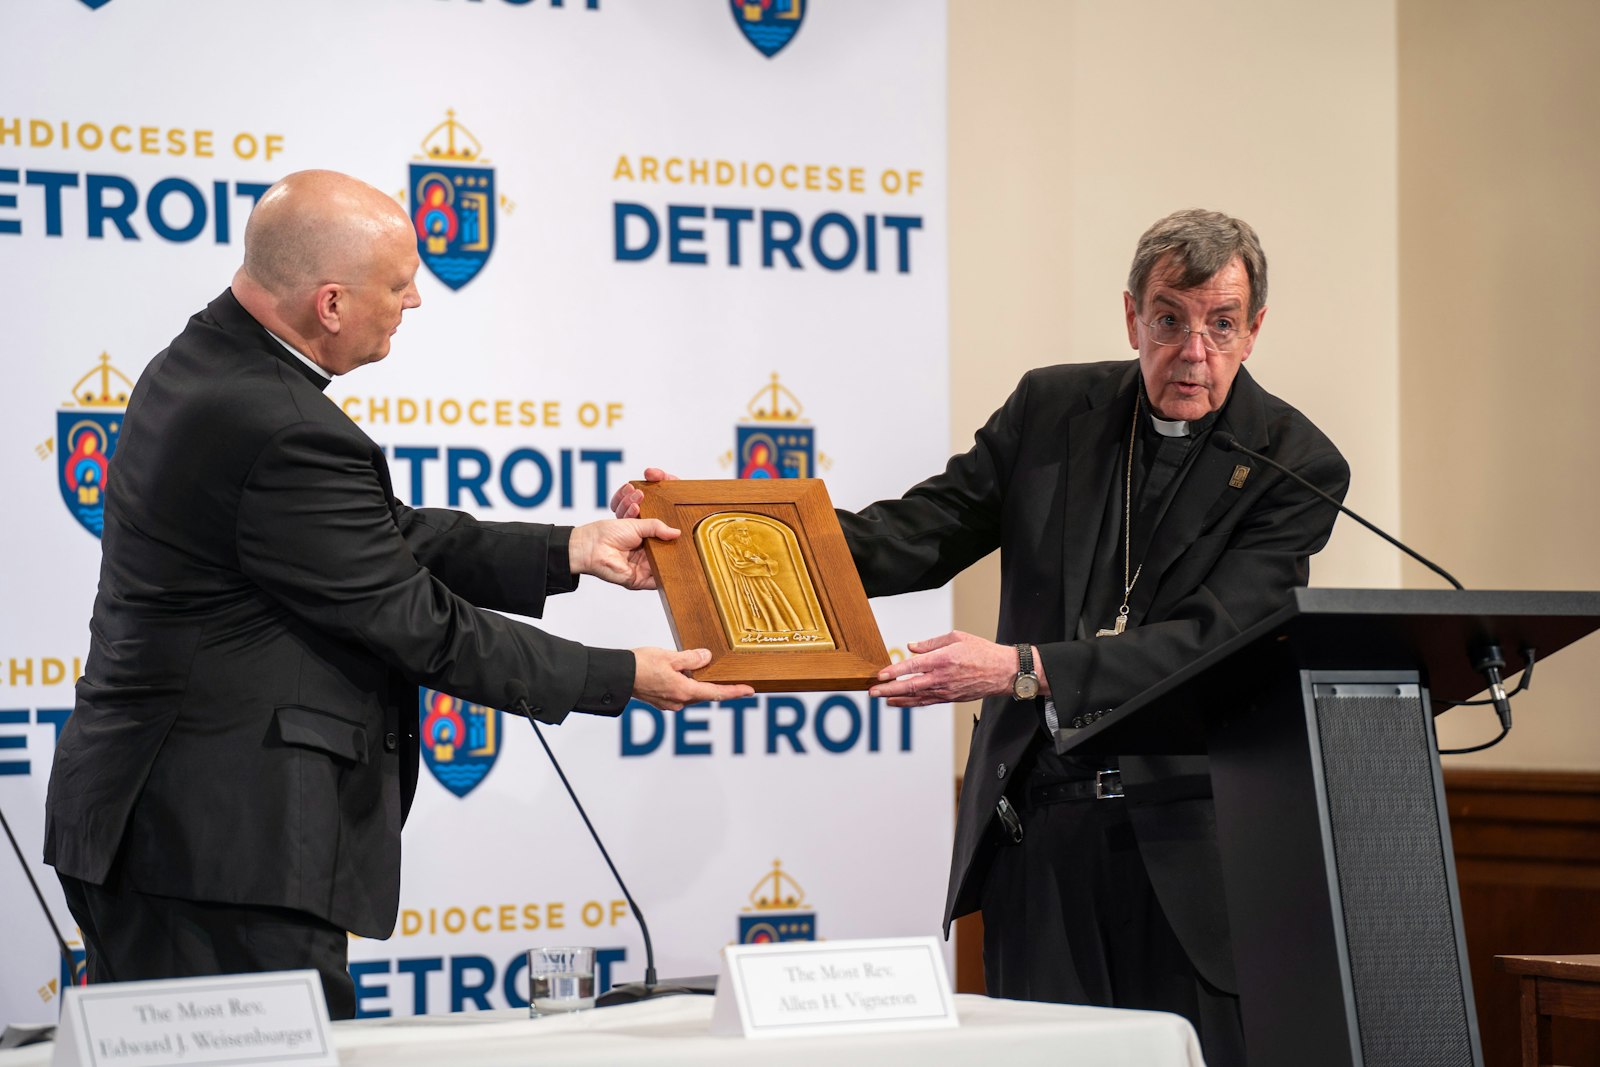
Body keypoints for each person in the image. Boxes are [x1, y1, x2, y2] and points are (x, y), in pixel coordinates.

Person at [613, 209, 1348, 1065]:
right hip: (1037, 834)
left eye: (1221, 325)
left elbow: (1214, 642)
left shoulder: (1296, 463)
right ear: (1131, 316)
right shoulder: (1054, 410)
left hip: (1186, 850)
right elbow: (915, 533)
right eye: (1170, 319)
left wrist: (1023, 667)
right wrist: (714, 529)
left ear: (1254, 329)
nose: (1194, 350)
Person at [43, 169, 752, 1019]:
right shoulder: (280, 422)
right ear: (331, 303)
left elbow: (384, 536)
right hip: (219, 850)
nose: (416, 298)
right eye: (399, 283)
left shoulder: (205, 363)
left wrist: (574, 549)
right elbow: (419, 624)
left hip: (167, 832)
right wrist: (619, 674)